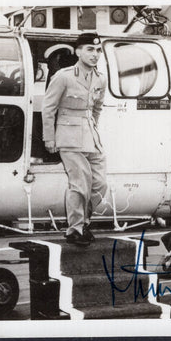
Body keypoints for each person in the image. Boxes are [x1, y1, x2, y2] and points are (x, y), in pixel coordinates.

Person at [42, 32, 108, 247]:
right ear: (78, 51)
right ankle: (75, 228)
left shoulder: (100, 78)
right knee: (80, 183)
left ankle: (83, 222)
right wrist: (49, 138)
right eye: (90, 49)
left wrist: (93, 128)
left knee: (99, 183)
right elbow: (48, 108)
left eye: (98, 50)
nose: (95, 54)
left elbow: (97, 108)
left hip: (91, 136)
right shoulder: (64, 76)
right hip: (69, 136)